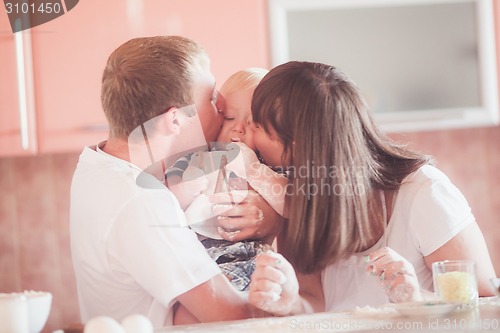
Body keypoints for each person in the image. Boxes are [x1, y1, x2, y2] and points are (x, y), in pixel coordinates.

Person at [228, 61, 496, 315]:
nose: (247, 135)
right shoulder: (297, 200)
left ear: (296, 145)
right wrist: (291, 303)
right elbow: (313, 303)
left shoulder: (423, 193)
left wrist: (418, 301)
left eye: (258, 126)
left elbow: (486, 305)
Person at [69, 36, 277, 328]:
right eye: (210, 99)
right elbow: (234, 316)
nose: (220, 106)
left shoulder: (96, 165)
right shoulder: (141, 200)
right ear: (175, 120)